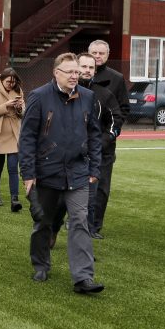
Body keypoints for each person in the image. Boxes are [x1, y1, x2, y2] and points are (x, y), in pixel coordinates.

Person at [20, 53, 104, 294]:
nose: (75, 76)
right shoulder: (39, 97)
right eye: (70, 72)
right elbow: (27, 138)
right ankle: (41, 263)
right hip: (46, 172)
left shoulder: (87, 97)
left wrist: (94, 168)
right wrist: (28, 173)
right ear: (56, 73)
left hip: (78, 172)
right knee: (43, 222)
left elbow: (94, 135)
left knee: (80, 221)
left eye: (77, 72)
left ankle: (83, 278)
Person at [48, 53, 124, 246]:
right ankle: (53, 228)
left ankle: (84, 244)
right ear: (75, 68)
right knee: (60, 201)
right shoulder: (61, 93)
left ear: (95, 71)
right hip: (66, 158)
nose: (86, 71)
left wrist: (101, 142)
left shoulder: (103, 95)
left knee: (89, 201)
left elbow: (115, 121)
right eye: (83, 67)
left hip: (93, 158)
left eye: (91, 68)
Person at [87, 40, 128, 236]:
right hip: (78, 143)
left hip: (104, 144)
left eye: (101, 53)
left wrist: (108, 137)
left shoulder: (116, 78)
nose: (97, 56)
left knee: (101, 187)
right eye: (94, 52)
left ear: (107, 55)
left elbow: (123, 110)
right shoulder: (78, 75)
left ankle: (95, 225)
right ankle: (76, 219)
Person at [0, 67, 24, 211]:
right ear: (1, 79)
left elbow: (22, 113)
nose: (11, 84)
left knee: (13, 168)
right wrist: (6, 106)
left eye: (13, 82)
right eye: (8, 81)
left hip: (14, 134)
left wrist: (20, 108)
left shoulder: (18, 90)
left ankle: (15, 199)